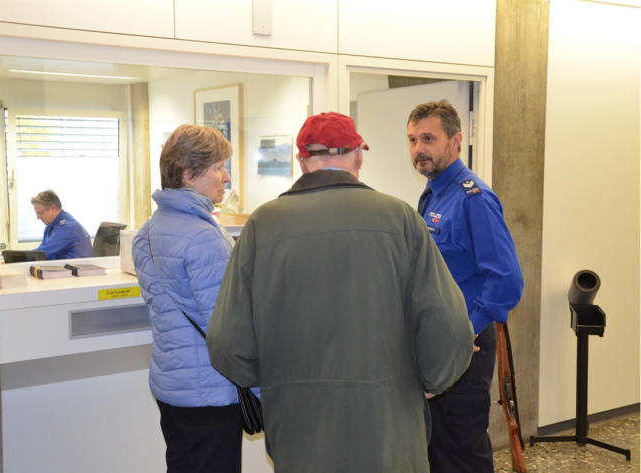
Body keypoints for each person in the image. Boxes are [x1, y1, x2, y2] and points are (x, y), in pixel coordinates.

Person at [207, 112, 474, 473]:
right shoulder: (400, 218)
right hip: (389, 430)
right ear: (358, 157)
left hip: (299, 431)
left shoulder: (261, 225)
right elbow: (450, 329)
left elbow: (226, 343)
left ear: (303, 162)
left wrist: (275, 380)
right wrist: (432, 380)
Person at [407, 99, 524, 473]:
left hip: (465, 344)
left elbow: (506, 280)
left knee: (461, 449)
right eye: (412, 140)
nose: (418, 149)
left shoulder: (474, 198)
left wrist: (464, 330)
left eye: (428, 138)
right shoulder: (434, 192)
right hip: (438, 341)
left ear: (456, 140)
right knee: (437, 445)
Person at [131, 124, 243, 473]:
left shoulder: (147, 232)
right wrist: (258, 390)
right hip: (210, 391)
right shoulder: (203, 237)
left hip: (171, 387)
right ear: (188, 173)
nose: (226, 177)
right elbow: (227, 328)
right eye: (219, 167)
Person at [31, 190, 92, 260]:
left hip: (78, 270)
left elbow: (42, 253)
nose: (38, 217)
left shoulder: (68, 228)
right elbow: (43, 254)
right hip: (62, 268)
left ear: (53, 208)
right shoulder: (50, 226)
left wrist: (18, 257)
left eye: (40, 213)